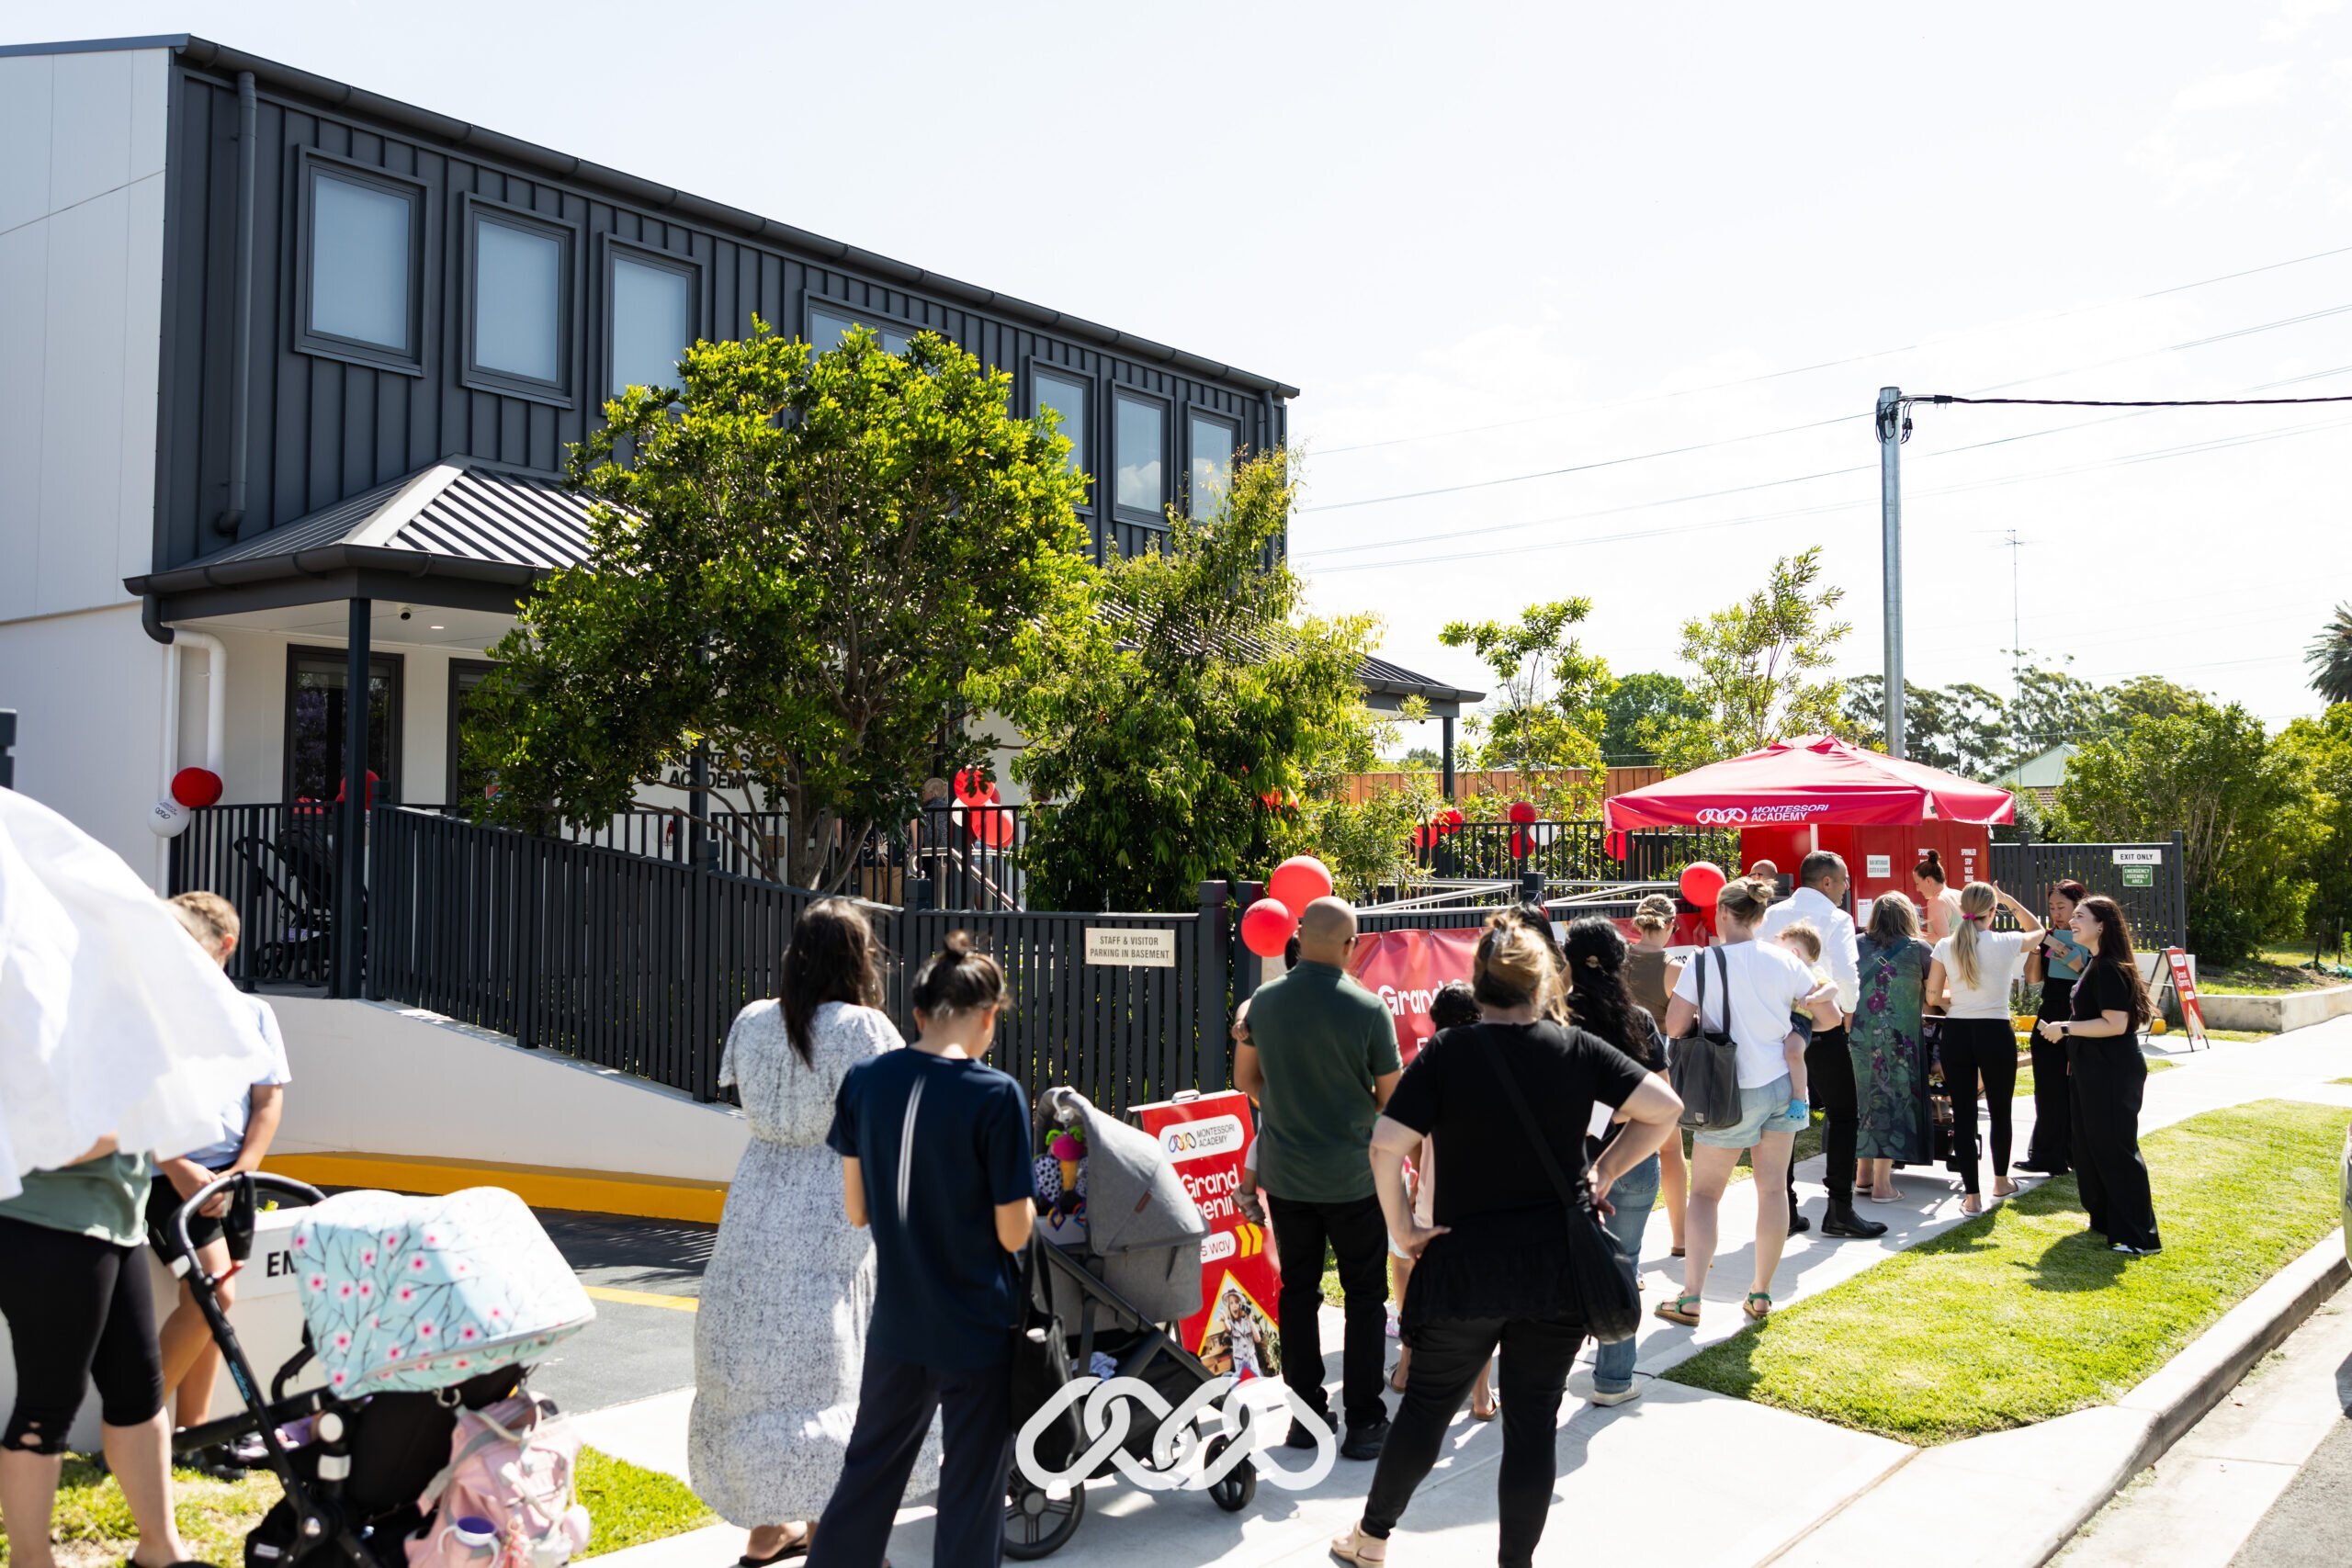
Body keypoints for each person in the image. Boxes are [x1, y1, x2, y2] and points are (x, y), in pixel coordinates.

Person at [1331, 923, 1683, 1568]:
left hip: (1464, 1266)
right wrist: (1602, 1172)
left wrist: (1404, 1231)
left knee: (1426, 1412)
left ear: (1477, 984)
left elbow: (1385, 1144)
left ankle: (1373, 1537)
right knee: (1532, 1421)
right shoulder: (1575, 1048)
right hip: (1555, 1267)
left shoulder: (1447, 1053)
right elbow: (1664, 1106)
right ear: (1546, 983)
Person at [691, 899, 930, 1565]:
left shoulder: (755, 1019)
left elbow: (743, 1100)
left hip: (756, 1203)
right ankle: (833, 1537)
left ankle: (768, 1530)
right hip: (833, 1205)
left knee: (763, 1371)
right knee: (831, 1373)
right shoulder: (864, 1028)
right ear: (856, 959)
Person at [808, 935, 1035, 1568]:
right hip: (976, 1327)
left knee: (867, 1478)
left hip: (898, 1323)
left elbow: (858, 1210)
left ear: (917, 1012)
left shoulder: (864, 1081)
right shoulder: (995, 1094)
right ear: (989, 1015)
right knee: (970, 1492)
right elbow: (1014, 1232)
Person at [1231, 897, 1402, 1460]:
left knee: (1298, 1294)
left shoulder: (1264, 1004)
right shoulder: (1368, 1009)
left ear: (1299, 936)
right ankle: (1365, 1422)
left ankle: (1306, 1420)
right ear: (1351, 946)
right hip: (1353, 1176)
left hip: (1286, 1174)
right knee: (1364, 1296)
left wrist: (1288, 1108)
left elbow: (1246, 1081)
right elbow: (1391, 1101)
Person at [0, 1133, 195, 1568]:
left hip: (118, 1221)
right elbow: (42, 1138)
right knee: (46, 1408)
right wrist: (139, 1120)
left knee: (139, 1395)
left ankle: (160, 1551)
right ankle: (30, 1562)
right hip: (44, 1223)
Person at [147, 893, 293, 1469]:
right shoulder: (151, 1016)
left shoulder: (255, 1015)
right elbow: (138, 1102)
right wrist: (181, 1170)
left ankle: (194, 1436)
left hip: (231, 1184)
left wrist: (242, 1172)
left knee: (211, 1301)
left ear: (223, 946)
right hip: (168, 1178)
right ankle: (135, 1429)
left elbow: (268, 1098)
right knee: (216, 1291)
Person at [1656, 877, 1839, 1327]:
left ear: (1720, 912)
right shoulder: (1785, 959)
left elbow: (1675, 1027)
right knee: (1773, 1189)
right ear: (1760, 918)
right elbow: (1831, 1018)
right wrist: (1793, 1033)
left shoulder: (1701, 963)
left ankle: (1692, 1295)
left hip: (1728, 1088)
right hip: (1780, 1085)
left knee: (1704, 1193)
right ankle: (1760, 1293)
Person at [1562, 916, 1670, 1408]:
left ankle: (1548, 1375)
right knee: (1621, 1267)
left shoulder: (1556, 1024)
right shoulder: (1640, 1020)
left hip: (1572, 1164)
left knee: (1561, 1272)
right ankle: (1613, 1380)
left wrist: (1595, 1110)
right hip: (1634, 1158)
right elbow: (1666, 1098)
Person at [1758, 852, 1884, 1240]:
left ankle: (1788, 1207)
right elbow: (1848, 974)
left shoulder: (1772, 914)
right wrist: (1845, 1010)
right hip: (1822, 1025)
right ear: (1827, 882)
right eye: (1844, 880)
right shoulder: (1836, 918)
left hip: (1777, 1026)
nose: (1847, 887)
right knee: (1844, 1112)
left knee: (1787, 1114)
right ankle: (1840, 1208)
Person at [1385, 982, 1496, 1422]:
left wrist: (1418, 1175)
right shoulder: (1499, 1066)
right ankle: (1482, 1395)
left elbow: (1404, 1137)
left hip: (1433, 1202)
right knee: (1483, 1302)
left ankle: (1406, 1369)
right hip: (1488, 1207)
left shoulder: (1426, 1067)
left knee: (1419, 1286)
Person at [2041, 897, 2163, 1255]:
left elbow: (2115, 1024)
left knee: (2115, 1150)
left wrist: (2065, 1028)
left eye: (2080, 917)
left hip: (2111, 1073)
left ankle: (2140, 1236)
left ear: (2101, 926)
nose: (2072, 921)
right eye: (2073, 916)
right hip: (2090, 1070)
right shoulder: (2096, 964)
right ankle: (2107, 1220)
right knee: (2089, 1148)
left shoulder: (2109, 967)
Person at [1928, 883, 2042, 1213]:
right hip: (1995, 1031)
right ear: (1992, 911)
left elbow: (1933, 998)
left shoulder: (1946, 946)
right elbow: (2038, 930)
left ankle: (1972, 1197)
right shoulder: (2006, 942)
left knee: (1962, 1115)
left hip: (1958, 1032)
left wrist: (1962, 1000)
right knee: (2000, 1111)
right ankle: (2001, 1180)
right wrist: (2010, 900)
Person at [1849, 892, 1935, 1202]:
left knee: (1865, 1101)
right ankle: (1883, 1186)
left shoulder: (1855, 946)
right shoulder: (1920, 950)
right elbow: (1935, 994)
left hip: (1859, 1039)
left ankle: (1862, 1176)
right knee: (1892, 1103)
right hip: (1900, 1042)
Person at [1627, 893, 1690, 1258]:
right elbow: (1682, 1025)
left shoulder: (1616, 961)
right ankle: (1680, 1238)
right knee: (1671, 1150)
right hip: (1658, 1063)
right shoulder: (1674, 970)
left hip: (1617, 1060)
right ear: (1670, 925)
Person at [2019, 880, 2093, 1177]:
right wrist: (2038, 949)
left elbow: (2093, 978)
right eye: (2052, 907)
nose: (2056, 913)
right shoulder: (2048, 936)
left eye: (2062, 907)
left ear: (2079, 906)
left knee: (2075, 1091)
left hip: (2078, 1020)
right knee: (2047, 1088)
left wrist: (2073, 959)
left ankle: (2074, 1152)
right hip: (2048, 1016)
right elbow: (2033, 979)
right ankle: (2047, 1154)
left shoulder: (2093, 939)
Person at [1915, 850, 1964, 943]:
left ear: (1928, 881)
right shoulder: (1960, 894)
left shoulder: (1936, 902)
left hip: (1948, 957)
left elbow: (1942, 939)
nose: (1917, 889)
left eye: (1917, 883)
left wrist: (1913, 934)